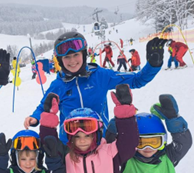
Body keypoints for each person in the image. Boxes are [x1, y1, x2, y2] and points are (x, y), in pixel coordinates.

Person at [23, 31, 167, 144]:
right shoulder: (58, 85)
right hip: (70, 143)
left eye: (75, 55)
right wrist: (34, 117)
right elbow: (45, 105)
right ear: (60, 60)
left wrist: (153, 65)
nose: (72, 61)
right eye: (67, 57)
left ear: (84, 54)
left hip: (100, 140)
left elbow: (137, 80)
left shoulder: (100, 76)